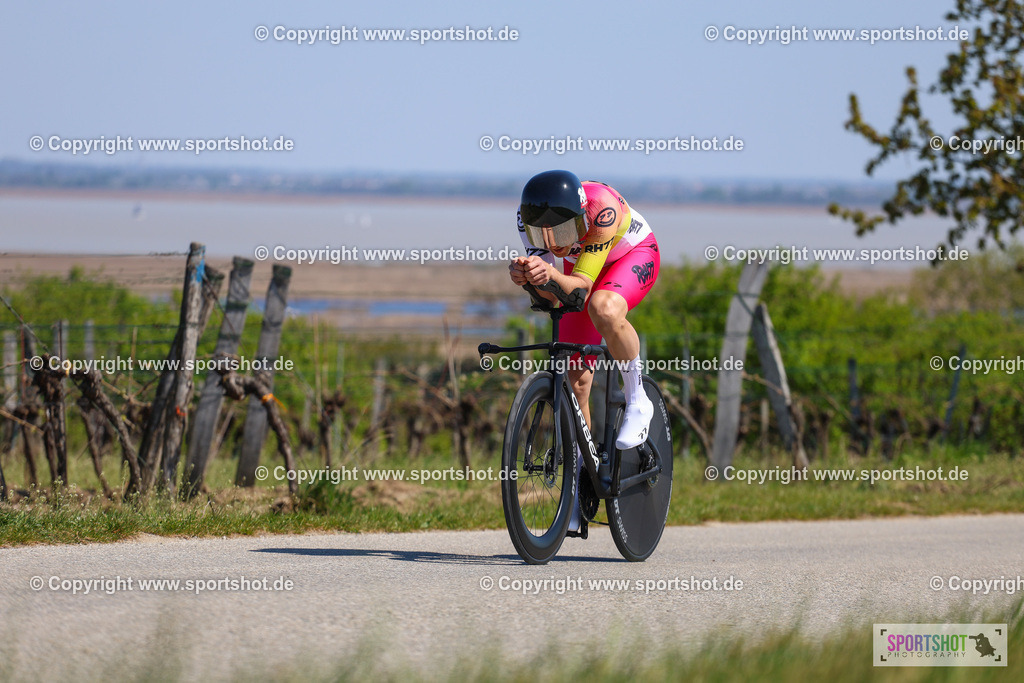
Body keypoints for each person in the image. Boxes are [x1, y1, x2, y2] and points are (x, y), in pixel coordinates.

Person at [509, 170, 660, 451]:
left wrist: (550, 274)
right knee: (575, 380)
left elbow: (579, 290)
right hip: (580, 270)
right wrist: (528, 277)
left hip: (630, 255)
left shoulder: (601, 208)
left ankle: (638, 399)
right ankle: (579, 475)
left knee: (603, 308)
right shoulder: (525, 216)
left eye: (561, 232)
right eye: (542, 236)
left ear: (579, 220)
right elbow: (550, 297)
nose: (553, 243)